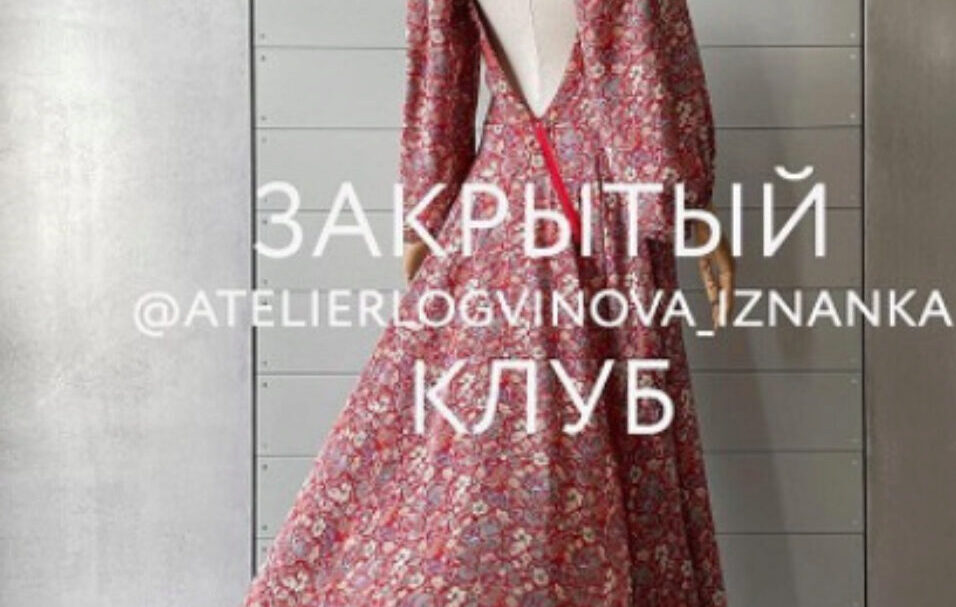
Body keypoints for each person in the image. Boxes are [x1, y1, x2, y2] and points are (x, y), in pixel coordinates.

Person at [243, 0, 735, 604]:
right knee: (584, 434)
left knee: (516, 438)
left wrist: (427, 212)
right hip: (599, 204)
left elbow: (441, 82)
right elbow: (650, 75)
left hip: (502, 208)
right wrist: (685, 203)